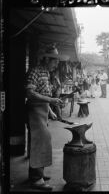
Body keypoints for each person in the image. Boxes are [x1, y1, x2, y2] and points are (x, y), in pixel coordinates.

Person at [25, 46, 64, 191]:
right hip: (34, 111)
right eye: (55, 61)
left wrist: (50, 112)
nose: (56, 64)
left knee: (42, 141)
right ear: (47, 59)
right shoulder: (35, 71)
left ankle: (37, 173)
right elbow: (30, 93)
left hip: (42, 111)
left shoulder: (47, 72)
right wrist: (51, 100)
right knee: (39, 142)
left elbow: (44, 93)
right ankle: (36, 179)